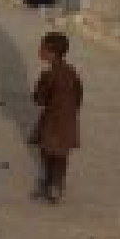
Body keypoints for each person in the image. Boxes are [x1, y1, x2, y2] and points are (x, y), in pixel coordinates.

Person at [30, 31, 83, 204]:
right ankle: (56, 185)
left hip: (52, 121)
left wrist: (39, 86)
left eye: (42, 48)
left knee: (47, 152)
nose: (39, 51)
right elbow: (79, 96)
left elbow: (39, 100)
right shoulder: (72, 72)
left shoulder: (49, 75)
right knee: (61, 155)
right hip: (69, 121)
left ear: (51, 53)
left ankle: (51, 185)